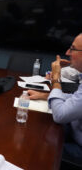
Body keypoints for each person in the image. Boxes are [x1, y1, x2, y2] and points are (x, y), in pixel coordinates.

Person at [28, 33, 82, 164]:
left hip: (79, 147)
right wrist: (46, 96)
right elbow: (75, 99)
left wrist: (56, 77)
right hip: (74, 131)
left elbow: (60, 114)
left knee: (35, 144)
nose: (67, 52)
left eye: (73, 49)